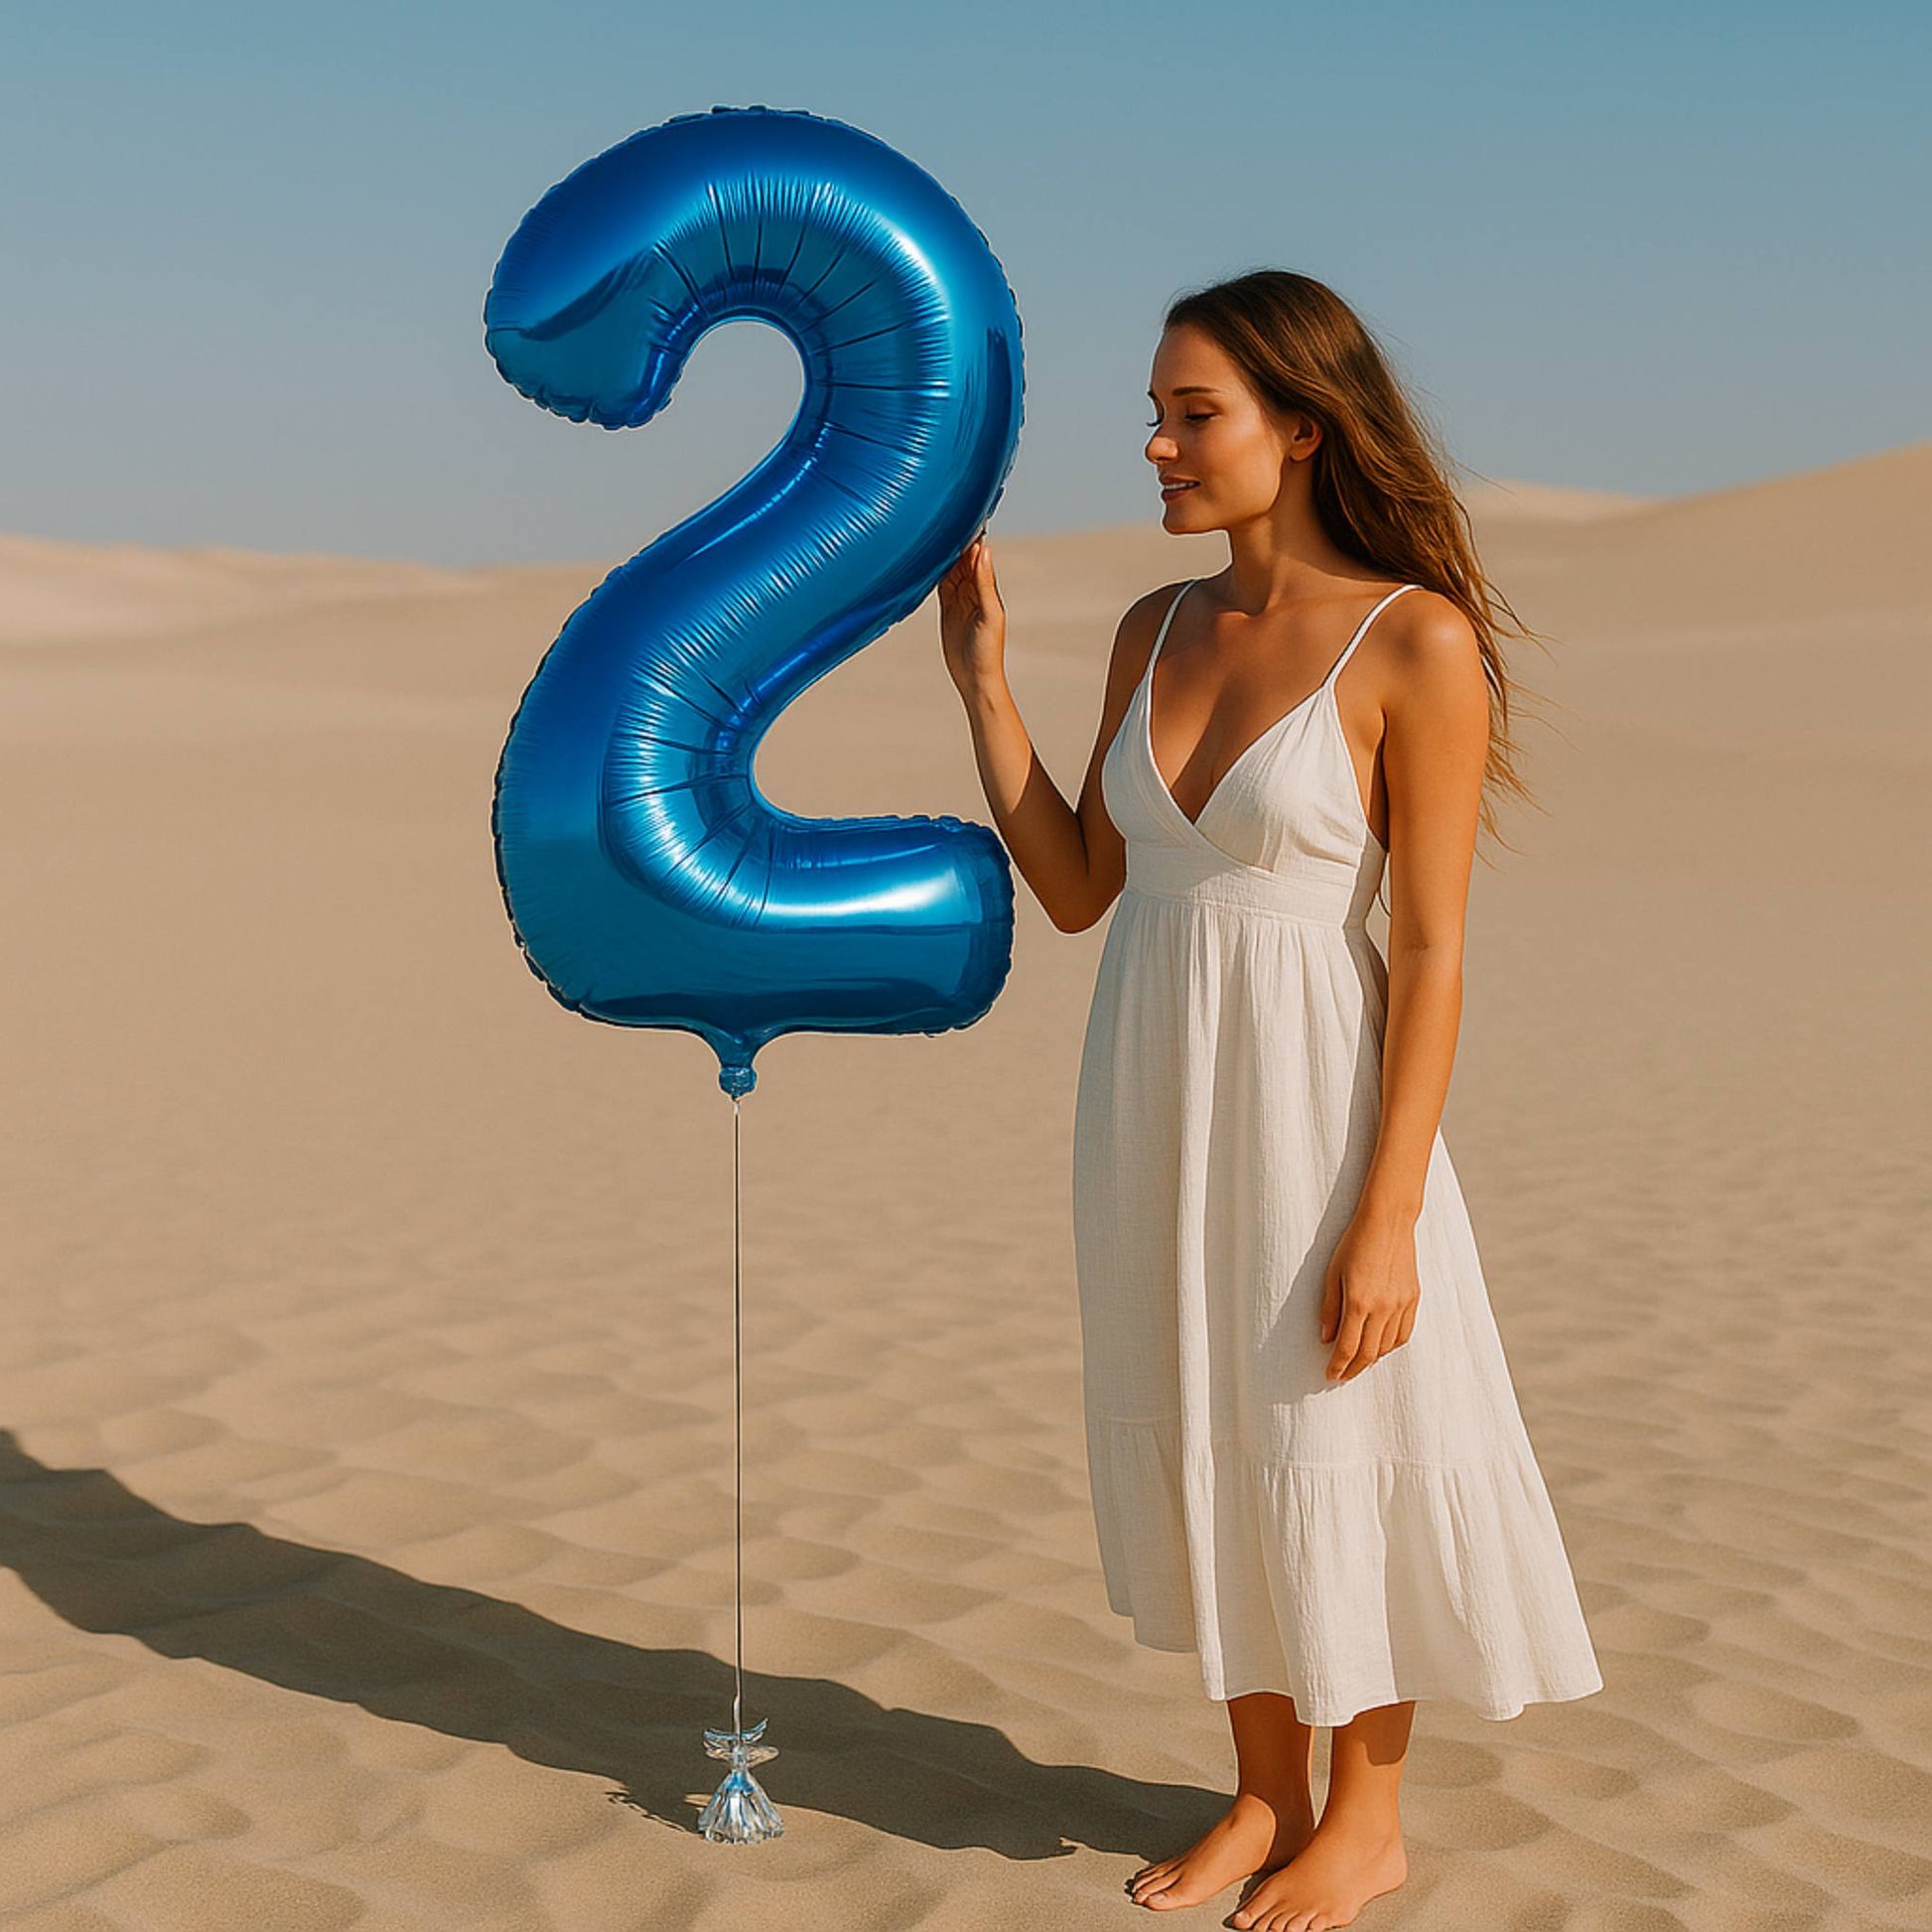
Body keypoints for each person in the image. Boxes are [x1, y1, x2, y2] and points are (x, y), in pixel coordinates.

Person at [936, 269, 1602, 1929]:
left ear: (1300, 430)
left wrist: (1387, 1213)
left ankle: (1362, 1821)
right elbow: (1086, 886)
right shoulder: (1151, 629)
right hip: (1154, 1088)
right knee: (1208, 1423)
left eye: (1192, 411)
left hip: (1318, 1094)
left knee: (1334, 1425)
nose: (1155, 442)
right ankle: (1260, 1790)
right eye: (1156, 412)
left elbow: (1436, 948)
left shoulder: (1413, 640)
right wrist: (985, 688)